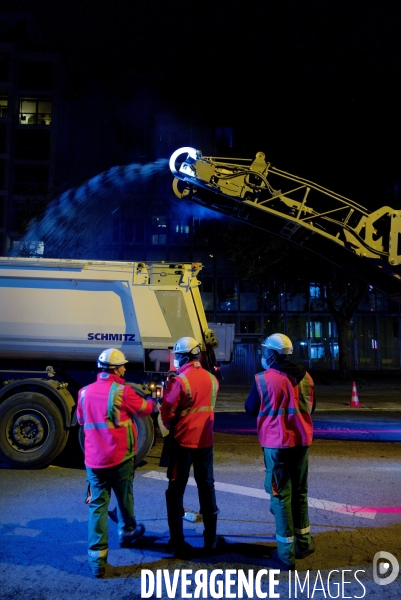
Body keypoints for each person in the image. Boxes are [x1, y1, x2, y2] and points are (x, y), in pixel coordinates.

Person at [76, 348, 156, 578]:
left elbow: (81, 419)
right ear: (116, 369)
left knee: (97, 507)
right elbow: (145, 409)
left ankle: (97, 562)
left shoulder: (84, 393)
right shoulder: (122, 391)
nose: (125, 369)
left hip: (94, 461)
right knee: (124, 496)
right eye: (123, 366)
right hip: (120, 458)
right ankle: (128, 531)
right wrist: (154, 400)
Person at [245, 333, 316, 570]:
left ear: (273, 355)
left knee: (280, 496)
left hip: (277, 446)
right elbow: (311, 407)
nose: (263, 355)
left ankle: (286, 554)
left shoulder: (264, 379)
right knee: (300, 492)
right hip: (302, 442)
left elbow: (250, 408)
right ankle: (303, 544)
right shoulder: (306, 377)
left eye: (266, 352)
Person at [160, 336, 220, 558]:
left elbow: (167, 414)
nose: (176, 359)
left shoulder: (179, 381)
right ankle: (211, 540)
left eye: (177, 355)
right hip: (205, 441)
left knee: (175, 492)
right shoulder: (212, 379)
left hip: (182, 443)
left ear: (184, 356)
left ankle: (177, 543)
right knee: (207, 488)